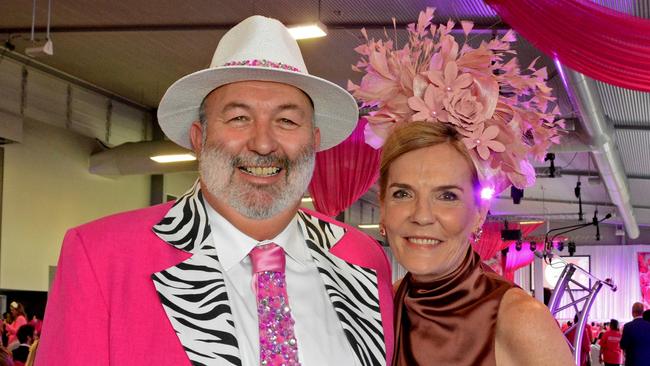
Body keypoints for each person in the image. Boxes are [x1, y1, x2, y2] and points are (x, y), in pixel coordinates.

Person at [36, 15, 393, 365]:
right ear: (198, 138)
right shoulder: (103, 257)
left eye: (286, 120)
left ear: (313, 142)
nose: (264, 143)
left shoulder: (360, 258)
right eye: (239, 117)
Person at [377, 122, 574, 365]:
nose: (422, 216)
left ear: (479, 213)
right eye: (402, 194)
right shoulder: (380, 307)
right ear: (383, 208)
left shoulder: (520, 320)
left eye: (447, 196)